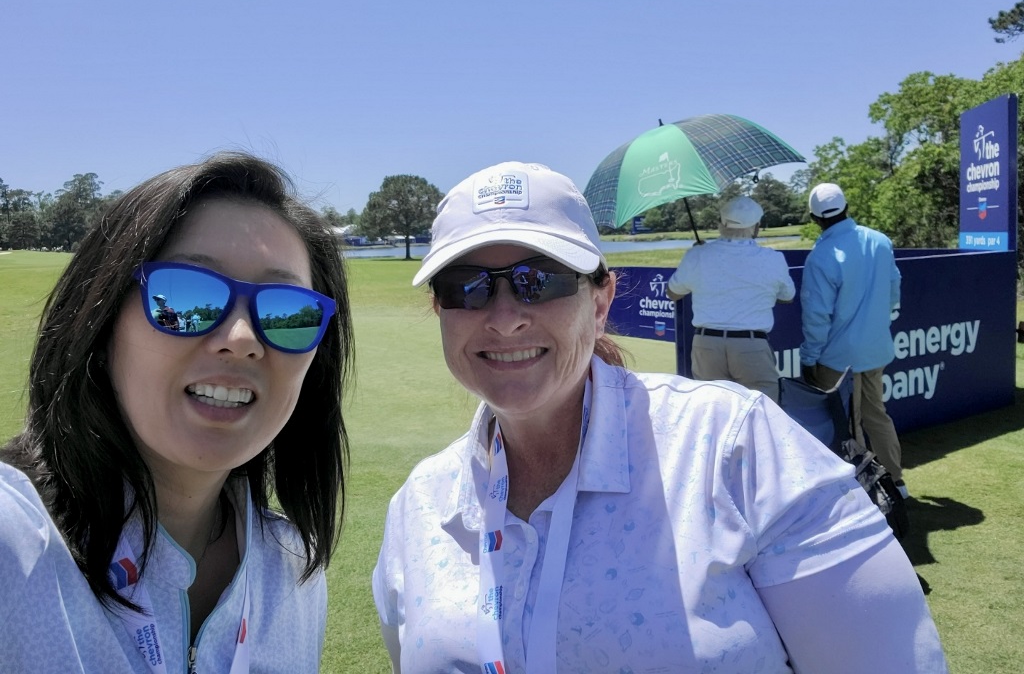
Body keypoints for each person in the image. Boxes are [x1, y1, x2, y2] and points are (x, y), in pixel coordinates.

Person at [372, 161, 947, 673]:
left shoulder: (737, 447)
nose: (503, 318)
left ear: (599, 303)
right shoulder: (418, 505)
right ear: (440, 309)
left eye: (538, 281)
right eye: (465, 287)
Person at [0, 151, 353, 673]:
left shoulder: (292, 569)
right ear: (99, 325)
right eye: (185, 295)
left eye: (286, 311)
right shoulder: (12, 544)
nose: (242, 339)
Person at [799, 182, 907, 499]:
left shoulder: (821, 256)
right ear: (847, 207)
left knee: (847, 425)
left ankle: (864, 491)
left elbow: (817, 317)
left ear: (814, 217)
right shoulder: (879, 240)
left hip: (836, 358)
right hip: (875, 349)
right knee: (876, 415)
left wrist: (808, 358)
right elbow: (893, 289)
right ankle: (897, 484)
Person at [666, 195, 795, 403]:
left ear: (721, 224)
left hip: (706, 345)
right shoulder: (773, 259)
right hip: (751, 346)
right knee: (763, 416)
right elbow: (788, 297)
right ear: (756, 227)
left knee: (712, 415)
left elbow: (673, 292)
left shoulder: (699, 255)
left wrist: (696, 254)